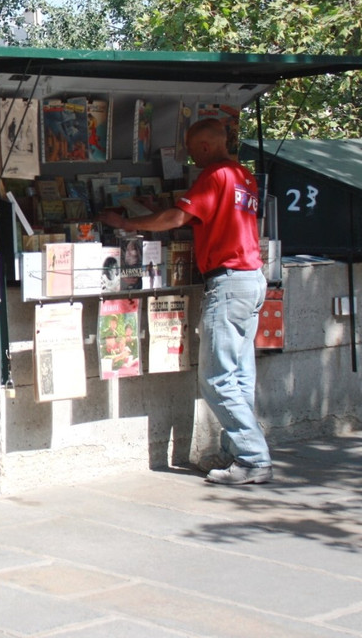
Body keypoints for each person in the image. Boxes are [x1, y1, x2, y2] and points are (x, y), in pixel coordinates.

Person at [100, 118, 270, 485]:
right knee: (239, 376)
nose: (190, 160)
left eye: (192, 152)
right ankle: (236, 452)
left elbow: (178, 217)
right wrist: (153, 207)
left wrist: (128, 223)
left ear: (206, 147)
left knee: (216, 379)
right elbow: (209, 219)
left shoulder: (215, 175)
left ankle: (254, 459)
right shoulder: (244, 175)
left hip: (228, 282)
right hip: (251, 279)